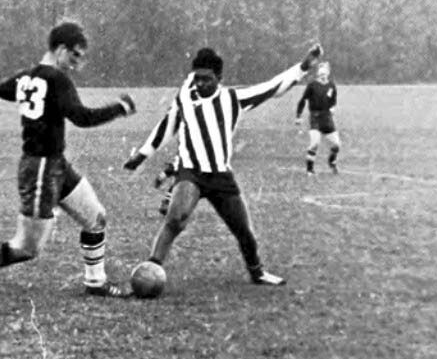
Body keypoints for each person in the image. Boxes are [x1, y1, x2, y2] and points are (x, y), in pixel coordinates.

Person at [0, 21, 137, 297]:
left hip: (55, 164)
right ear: (61, 49)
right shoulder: (57, 79)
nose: (78, 63)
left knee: (96, 218)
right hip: (41, 168)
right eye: (75, 55)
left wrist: (30, 83)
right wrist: (119, 108)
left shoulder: (33, 76)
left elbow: (2, 89)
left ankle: (96, 282)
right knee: (26, 247)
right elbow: (82, 118)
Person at [123, 44, 324, 285]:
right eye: (197, 79)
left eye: (207, 80)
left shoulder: (233, 98)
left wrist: (302, 67)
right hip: (191, 173)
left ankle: (257, 272)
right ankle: (152, 268)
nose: (201, 84)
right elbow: (168, 124)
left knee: (243, 230)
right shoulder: (186, 96)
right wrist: (143, 154)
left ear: (220, 79)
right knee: (175, 218)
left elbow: (272, 88)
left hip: (220, 176)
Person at [295, 61, 341, 175]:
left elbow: (333, 101)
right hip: (315, 117)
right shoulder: (312, 85)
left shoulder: (332, 86)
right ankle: (310, 170)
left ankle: (332, 161)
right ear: (317, 74)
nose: (322, 75)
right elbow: (302, 100)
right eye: (320, 73)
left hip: (327, 118)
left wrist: (333, 108)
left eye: (324, 73)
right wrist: (298, 116)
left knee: (337, 145)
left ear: (328, 73)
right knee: (315, 143)